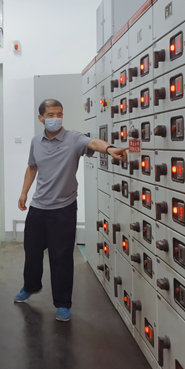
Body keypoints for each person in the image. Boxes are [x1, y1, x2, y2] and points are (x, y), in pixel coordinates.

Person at [15, 99, 127, 321]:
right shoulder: (36, 141)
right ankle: (31, 286)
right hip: (38, 207)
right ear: (41, 118)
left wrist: (110, 149)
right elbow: (32, 167)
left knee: (62, 257)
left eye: (59, 114)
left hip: (63, 209)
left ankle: (63, 303)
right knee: (32, 251)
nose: (56, 118)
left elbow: (93, 143)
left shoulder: (73, 139)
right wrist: (24, 192)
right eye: (51, 115)